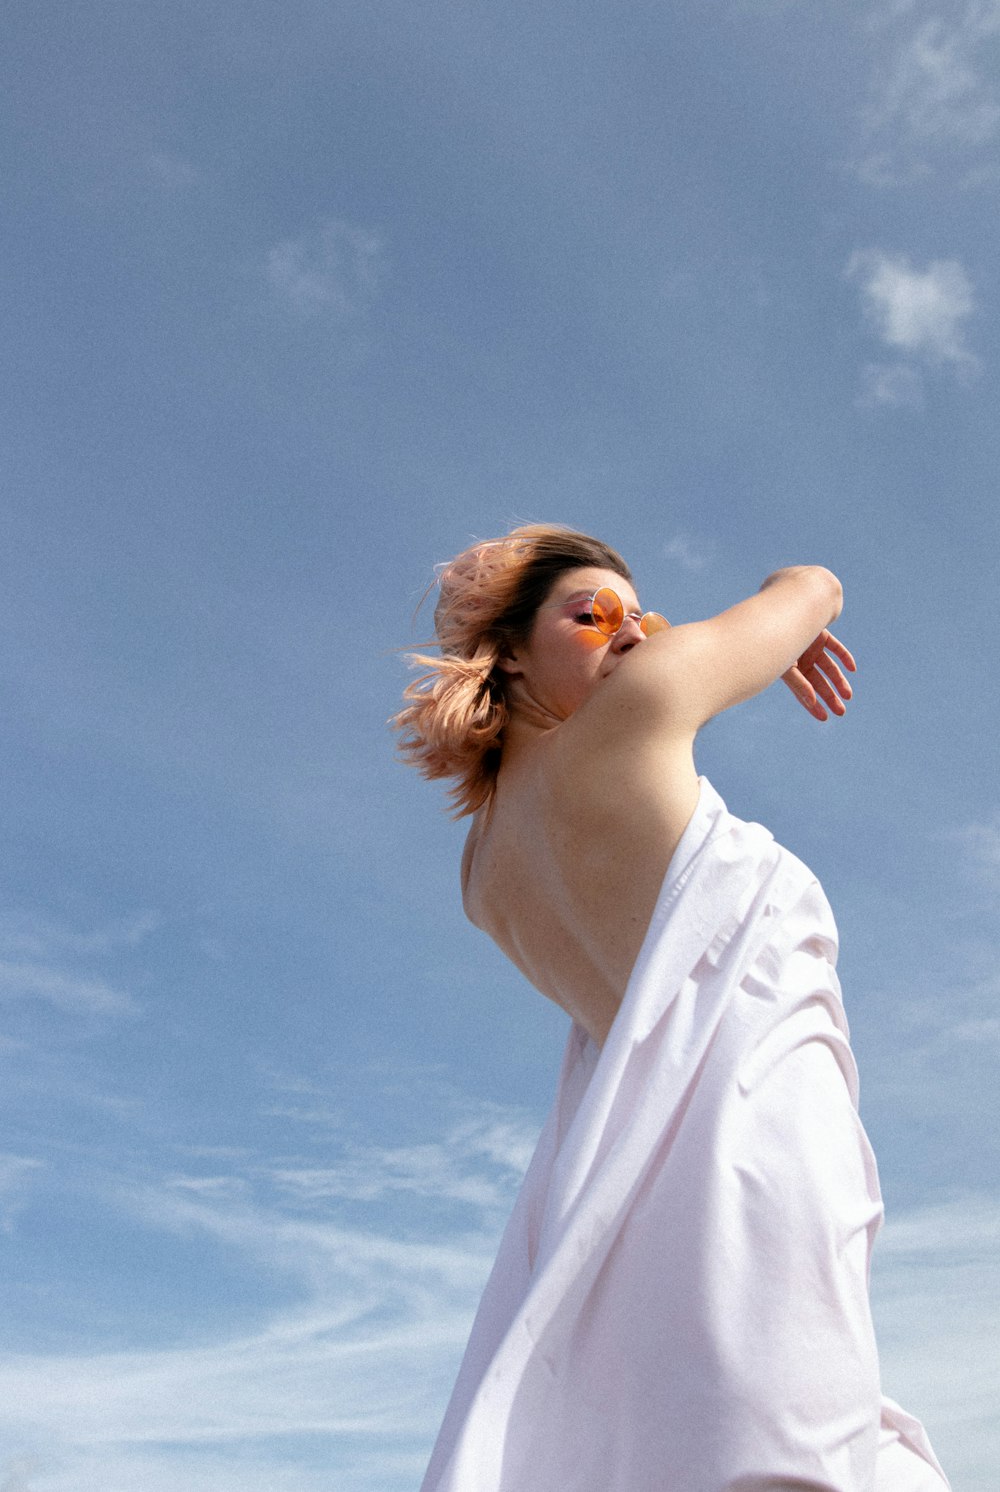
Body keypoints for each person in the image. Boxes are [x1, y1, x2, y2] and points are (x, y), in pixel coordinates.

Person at [395, 524, 949, 1492]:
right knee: (796, 1434)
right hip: (761, 1128)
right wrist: (786, 617)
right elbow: (814, 583)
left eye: (640, 615)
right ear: (512, 649)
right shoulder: (641, 712)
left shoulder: (482, 875)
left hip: (638, 1194)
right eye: (593, 612)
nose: (631, 634)